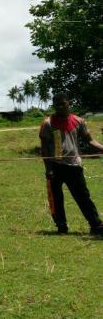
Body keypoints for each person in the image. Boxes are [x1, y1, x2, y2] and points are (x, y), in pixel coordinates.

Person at [40, 92, 103, 235]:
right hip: (55, 166)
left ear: (68, 103)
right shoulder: (48, 123)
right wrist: (48, 169)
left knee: (83, 197)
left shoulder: (78, 121)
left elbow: (90, 141)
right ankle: (61, 227)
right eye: (57, 104)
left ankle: (96, 225)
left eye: (63, 103)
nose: (60, 107)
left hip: (74, 166)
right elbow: (44, 148)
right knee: (57, 199)